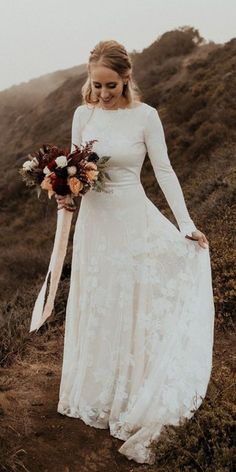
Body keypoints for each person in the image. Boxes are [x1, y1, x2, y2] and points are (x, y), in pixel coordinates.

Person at [42, 40, 215, 464]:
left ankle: (131, 390)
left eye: (111, 86)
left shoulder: (146, 116)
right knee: (99, 300)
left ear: (127, 79)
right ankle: (95, 390)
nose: (103, 93)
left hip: (132, 217)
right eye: (97, 85)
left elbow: (165, 170)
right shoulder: (83, 114)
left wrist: (186, 225)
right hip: (95, 225)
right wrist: (66, 193)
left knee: (132, 298)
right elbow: (77, 169)